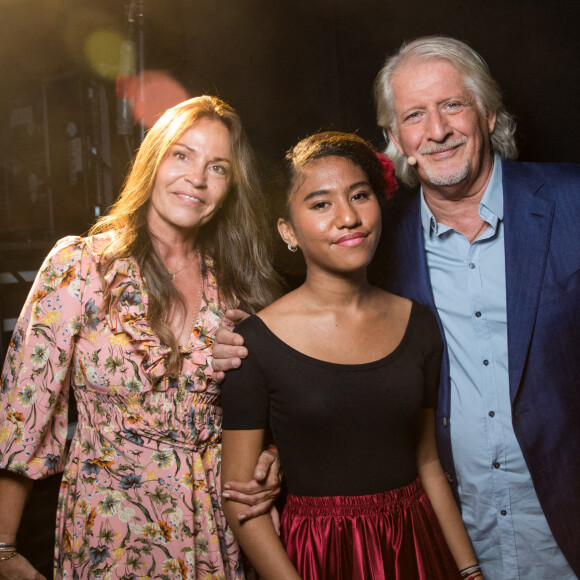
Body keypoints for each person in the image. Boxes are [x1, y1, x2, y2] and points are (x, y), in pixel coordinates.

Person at [213, 37, 580, 580]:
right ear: (395, 139)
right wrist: (271, 431)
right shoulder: (382, 242)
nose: (436, 131)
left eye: (452, 105)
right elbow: (331, 356)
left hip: (565, 521)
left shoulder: (572, 202)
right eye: (414, 115)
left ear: (488, 112)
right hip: (452, 529)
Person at [0, 95, 282, 580]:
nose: (197, 177)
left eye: (217, 167)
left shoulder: (242, 289)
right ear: (152, 160)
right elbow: (22, 415)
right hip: (110, 536)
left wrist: (271, 461)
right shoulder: (80, 268)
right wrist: (2, 549)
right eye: (182, 154)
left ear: (231, 186)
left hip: (218, 534)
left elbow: (276, 413)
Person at [220, 131, 483, 580]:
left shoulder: (418, 323)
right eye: (320, 204)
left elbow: (428, 463)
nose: (348, 217)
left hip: (415, 549)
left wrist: (469, 570)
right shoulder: (254, 344)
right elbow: (240, 500)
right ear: (288, 231)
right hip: (319, 558)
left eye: (359, 195)